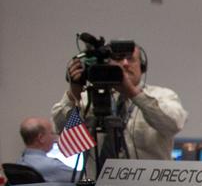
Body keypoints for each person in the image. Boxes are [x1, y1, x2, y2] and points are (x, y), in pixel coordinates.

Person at [53, 42, 187, 166]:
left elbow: (173, 125)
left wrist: (134, 94)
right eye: (118, 59)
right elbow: (61, 130)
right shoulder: (88, 98)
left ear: (142, 65)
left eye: (131, 59)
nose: (125, 64)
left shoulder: (162, 96)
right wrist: (74, 92)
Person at [16, 117, 75, 182]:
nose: (55, 138)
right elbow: (83, 178)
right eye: (52, 133)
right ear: (41, 138)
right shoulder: (53, 166)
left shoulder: (20, 162)